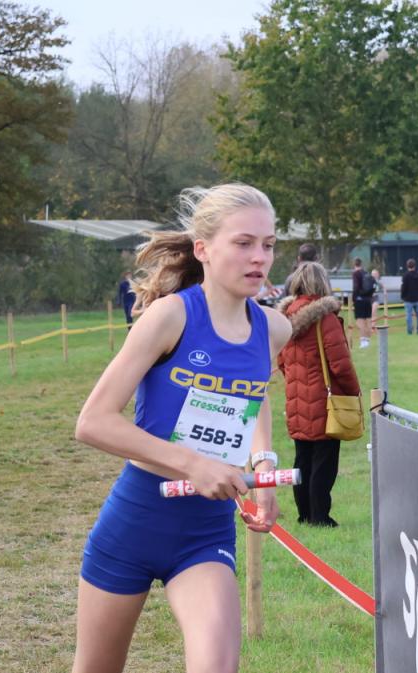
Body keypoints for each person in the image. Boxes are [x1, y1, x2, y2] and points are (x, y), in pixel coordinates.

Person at [71, 184, 292, 673]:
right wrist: (194, 463)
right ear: (203, 249)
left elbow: (254, 395)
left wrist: (263, 464)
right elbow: (93, 422)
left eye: (268, 244)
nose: (260, 257)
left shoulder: (274, 328)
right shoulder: (171, 316)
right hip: (135, 520)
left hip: (205, 533)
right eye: (243, 243)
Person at [276, 262, 360, 527]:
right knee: (324, 462)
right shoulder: (326, 319)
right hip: (324, 401)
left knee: (302, 459)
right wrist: (354, 392)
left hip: (296, 400)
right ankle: (320, 516)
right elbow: (340, 365)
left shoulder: (284, 319)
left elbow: (281, 361)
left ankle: (304, 514)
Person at [350, 258, 374, 349]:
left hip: (359, 300)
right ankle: (367, 340)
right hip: (368, 300)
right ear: (361, 264)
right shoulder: (366, 273)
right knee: (368, 320)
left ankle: (363, 341)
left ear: (354, 264)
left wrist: (353, 299)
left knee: (360, 321)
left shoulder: (355, 274)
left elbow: (356, 287)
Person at [400, 259, 418, 335]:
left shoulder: (405, 275)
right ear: (415, 266)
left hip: (408, 299)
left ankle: (410, 331)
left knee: (409, 316)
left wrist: (402, 296)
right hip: (417, 298)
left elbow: (403, 287)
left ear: (407, 266)